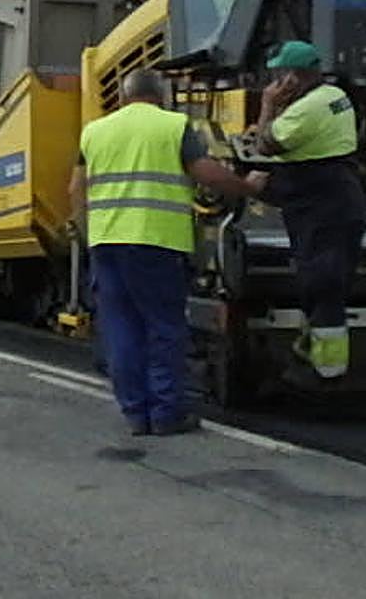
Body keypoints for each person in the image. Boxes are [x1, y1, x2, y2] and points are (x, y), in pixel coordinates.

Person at [69, 69, 263, 436]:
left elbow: (75, 189)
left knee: (121, 329)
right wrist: (247, 186)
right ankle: (165, 413)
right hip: (156, 242)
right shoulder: (173, 126)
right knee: (163, 328)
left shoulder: (95, 131)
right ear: (161, 96)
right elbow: (206, 173)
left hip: (107, 243)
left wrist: (86, 233)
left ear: (123, 97)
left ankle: (135, 413)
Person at [253, 41, 366, 379]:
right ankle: (311, 350)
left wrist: (268, 104)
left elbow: (264, 145)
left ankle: (326, 371)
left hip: (318, 200)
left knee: (320, 280)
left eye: (278, 75)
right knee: (329, 279)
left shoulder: (307, 109)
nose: (275, 82)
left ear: (292, 76)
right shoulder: (334, 95)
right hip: (341, 191)